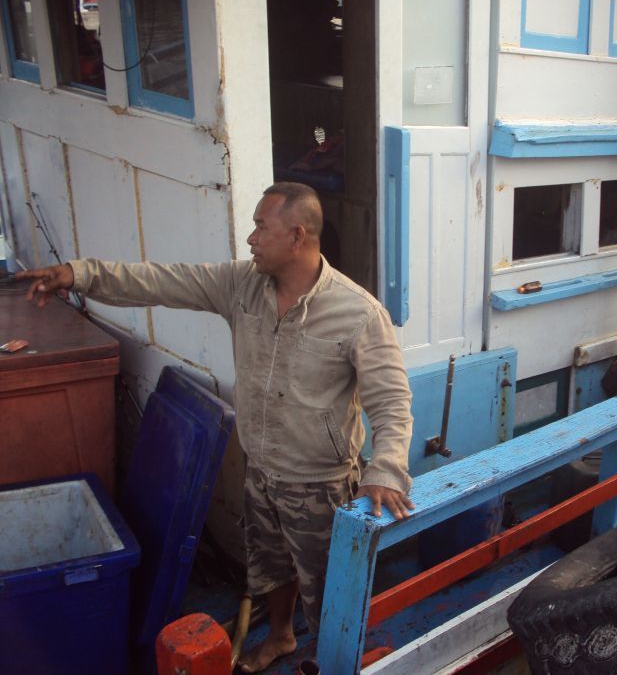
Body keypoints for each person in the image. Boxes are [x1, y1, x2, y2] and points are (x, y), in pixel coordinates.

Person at [18, 182, 414, 673]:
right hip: (261, 469)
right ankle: (283, 639)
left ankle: (334, 661)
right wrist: (78, 275)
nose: (250, 239)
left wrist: (386, 469)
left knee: (330, 587)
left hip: (321, 483)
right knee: (269, 569)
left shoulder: (358, 313)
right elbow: (161, 281)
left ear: (297, 236)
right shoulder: (241, 285)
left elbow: (392, 401)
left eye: (259, 227)